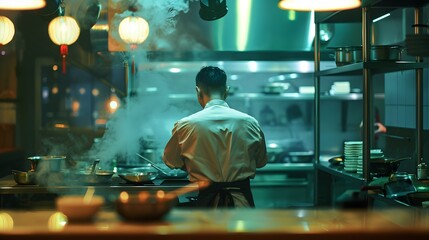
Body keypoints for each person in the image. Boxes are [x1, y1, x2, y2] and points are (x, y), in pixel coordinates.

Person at [162, 66, 268, 208]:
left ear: (198, 91)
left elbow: (171, 161)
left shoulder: (185, 125)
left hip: (206, 205)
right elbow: (261, 161)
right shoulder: (250, 122)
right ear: (226, 90)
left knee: (209, 231)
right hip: (242, 205)